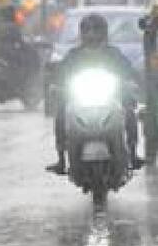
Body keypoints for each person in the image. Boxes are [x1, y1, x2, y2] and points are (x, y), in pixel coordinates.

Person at [46, 13, 142, 174]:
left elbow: (128, 70)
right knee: (61, 113)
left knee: (129, 110)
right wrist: (55, 85)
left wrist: (131, 82)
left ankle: (133, 153)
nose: (92, 34)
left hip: (111, 96)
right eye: (87, 30)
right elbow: (60, 73)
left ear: (104, 33)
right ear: (82, 33)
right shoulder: (73, 55)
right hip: (79, 97)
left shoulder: (113, 53)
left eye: (96, 30)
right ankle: (61, 158)